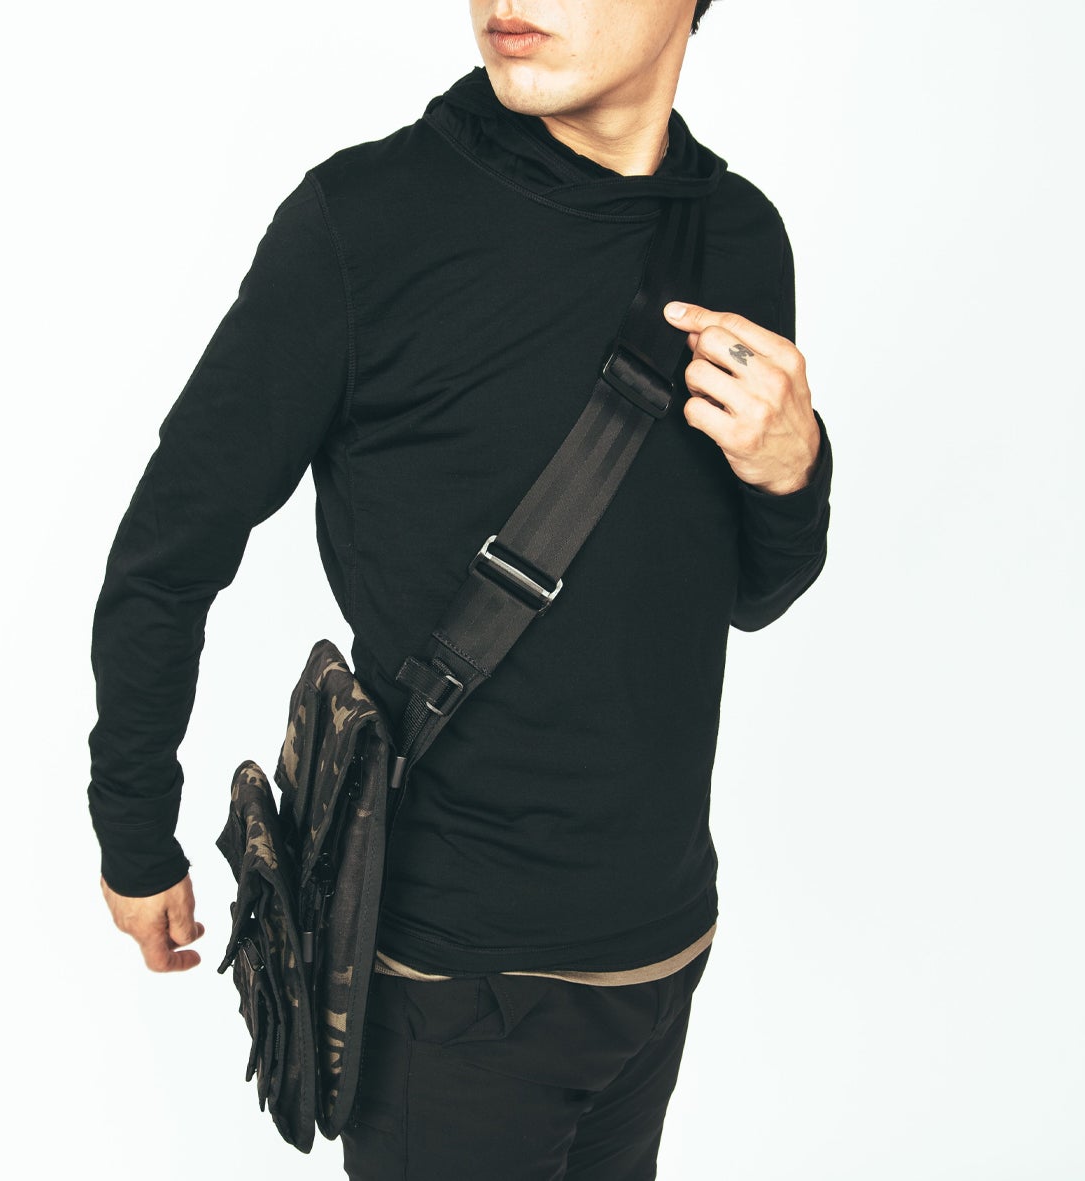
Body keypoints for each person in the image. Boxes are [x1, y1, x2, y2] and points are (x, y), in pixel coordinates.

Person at [87, 2, 833, 1176]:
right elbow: (168, 549)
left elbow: (746, 589)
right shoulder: (364, 224)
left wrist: (792, 467)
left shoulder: (739, 238)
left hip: (659, 950)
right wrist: (133, 830)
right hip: (444, 987)